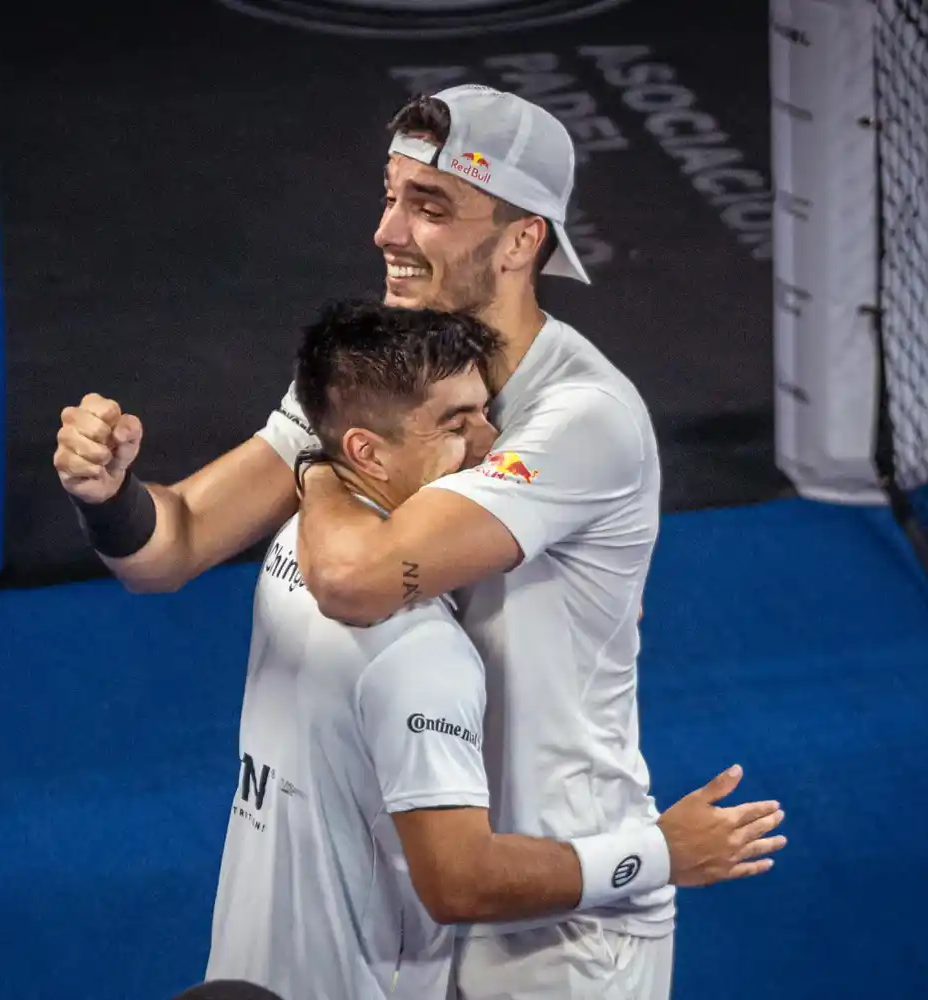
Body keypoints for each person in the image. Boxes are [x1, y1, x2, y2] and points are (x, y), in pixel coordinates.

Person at [53, 86, 786, 999]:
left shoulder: (582, 416)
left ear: (524, 240)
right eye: (391, 195)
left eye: (430, 207)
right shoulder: (390, 378)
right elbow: (169, 548)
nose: (388, 232)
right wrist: (108, 493)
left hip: (563, 913)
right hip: (423, 891)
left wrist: (320, 459)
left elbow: (354, 578)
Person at [195, 300, 784, 999]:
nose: (490, 440)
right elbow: (458, 881)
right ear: (366, 450)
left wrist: (317, 472)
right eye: (456, 424)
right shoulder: (421, 657)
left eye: (484, 412)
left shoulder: (292, 551)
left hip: (244, 971)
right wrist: (660, 852)